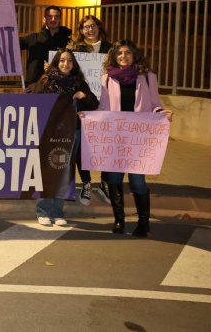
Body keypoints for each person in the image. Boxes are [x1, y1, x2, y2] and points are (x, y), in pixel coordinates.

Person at [98, 40, 172, 238]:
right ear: (114, 56)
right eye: (120, 53)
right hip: (116, 137)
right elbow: (103, 107)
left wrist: (162, 113)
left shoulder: (147, 77)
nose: (123, 56)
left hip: (138, 138)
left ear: (134, 55)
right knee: (114, 179)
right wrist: (88, 117)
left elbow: (155, 104)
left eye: (127, 53)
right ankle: (119, 220)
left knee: (137, 181)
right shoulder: (107, 78)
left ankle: (143, 223)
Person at [32, 49, 98, 226]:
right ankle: (43, 211)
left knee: (64, 172)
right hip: (49, 132)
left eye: (69, 61)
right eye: (62, 60)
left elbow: (94, 104)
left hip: (71, 133)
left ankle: (57, 212)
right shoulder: (45, 81)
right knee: (48, 170)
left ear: (73, 64)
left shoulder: (78, 83)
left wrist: (84, 96)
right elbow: (36, 105)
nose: (65, 64)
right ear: (56, 62)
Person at [67, 14, 113, 206]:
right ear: (81, 30)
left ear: (99, 27)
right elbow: (65, 67)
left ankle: (104, 182)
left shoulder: (110, 49)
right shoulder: (75, 49)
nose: (90, 29)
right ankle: (86, 182)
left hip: (107, 102)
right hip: (84, 103)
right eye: (86, 27)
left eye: (93, 25)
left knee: (105, 145)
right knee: (81, 146)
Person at [19, 5, 72, 87]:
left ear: (60, 19)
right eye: (50, 16)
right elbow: (12, 44)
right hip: (34, 86)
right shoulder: (33, 38)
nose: (53, 19)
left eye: (56, 17)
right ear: (44, 19)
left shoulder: (68, 42)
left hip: (58, 85)